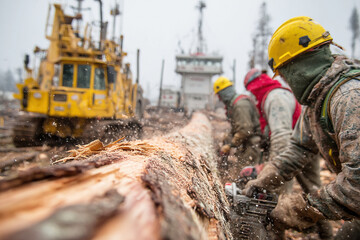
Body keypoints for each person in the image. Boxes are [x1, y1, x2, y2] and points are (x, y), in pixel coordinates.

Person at [243, 16, 360, 239]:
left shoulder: (349, 99)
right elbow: (300, 148)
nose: (286, 82)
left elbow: (357, 186)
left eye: (286, 74)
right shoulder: (318, 100)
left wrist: (298, 209)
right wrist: (267, 178)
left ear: (299, 65)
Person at [244, 68, 332, 239]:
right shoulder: (274, 94)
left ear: (253, 85)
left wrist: (268, 168)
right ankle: (326, 234)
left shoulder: (274, 97)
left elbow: (282, 138)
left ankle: (277, 235)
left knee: (279, 199)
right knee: (315, 192)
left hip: (297, 151)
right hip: (304, 147)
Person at [213, 76, 262, 182]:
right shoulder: (235, 104)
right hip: (247, 143)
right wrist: (227, 140)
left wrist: (230, 145)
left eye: (219, 95)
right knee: (242, 174)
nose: (219, 99)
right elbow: (236, 129)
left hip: (252, 145)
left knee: (245, 176)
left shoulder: (240, 105)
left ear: (223, 93)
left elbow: (245, 130)